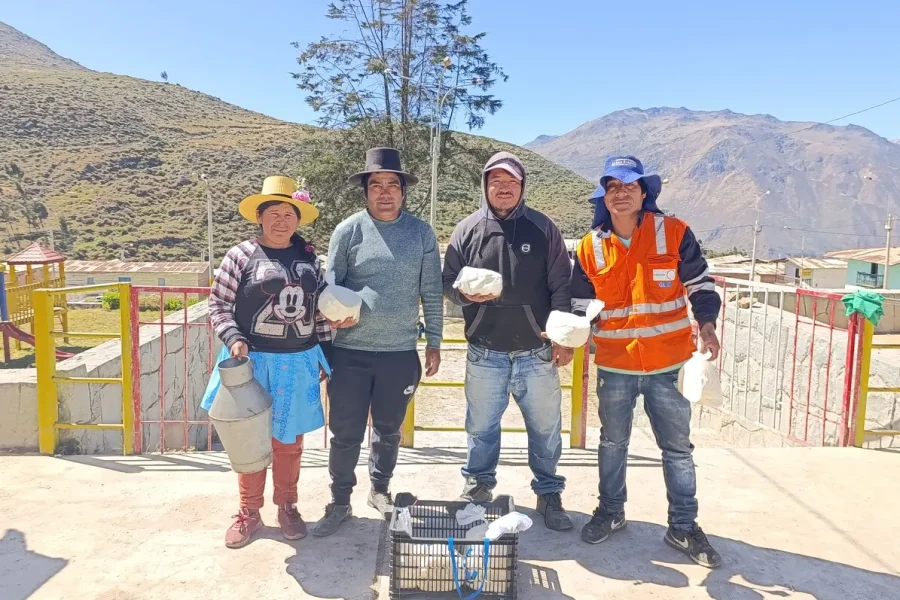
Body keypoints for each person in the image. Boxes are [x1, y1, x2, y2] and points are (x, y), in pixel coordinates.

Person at [571, 155, 723, 568]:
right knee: (612, 443)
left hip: (668, 365)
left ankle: (683, 526)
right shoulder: (589, 246)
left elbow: (700, 284)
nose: (620, 194)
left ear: (644, 193)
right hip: (615, 365)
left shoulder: (674, 233)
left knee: (677, 449)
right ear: (603, 196)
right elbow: (579, 301)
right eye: (612, 187)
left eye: (629, 186)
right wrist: (574, 326)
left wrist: (707, 324)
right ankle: (611, 511)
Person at [313, 147, 443, 537]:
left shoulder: (421, 233)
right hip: (349, 353)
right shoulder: (348, 231)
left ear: (403, 191)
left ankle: (380, 490)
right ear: (366, 191)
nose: (384, 192)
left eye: (392, 185)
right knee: (345, 433)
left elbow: (431, 291)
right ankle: (339, 501)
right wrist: (332, 314)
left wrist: (434, 342)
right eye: (376, 185)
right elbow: (329, 287)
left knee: (388, 430)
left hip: (399, 354)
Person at [442, 151, 575, 531]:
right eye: (496, 181)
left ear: (522, 186)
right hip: (485, 351)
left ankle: (548, 492)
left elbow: (561, 286)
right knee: (481, 428)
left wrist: (562, 338)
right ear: (485, 185)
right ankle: (478, 486)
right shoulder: (467, 230)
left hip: (537, 351)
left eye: (511, 181)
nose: (503, 188)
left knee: (545, 428)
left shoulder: (543, 228)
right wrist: (464, 295)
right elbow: (447, 281)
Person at [202, 176, 332, 549]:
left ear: (298, 219)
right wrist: (234, 337)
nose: (281, 220)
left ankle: (287, 505)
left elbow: (320, 310)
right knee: (250, 440)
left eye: (288, 214)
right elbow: (218, 303)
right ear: (259, 217)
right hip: (252, 364)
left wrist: (327, 353)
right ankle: (249, 511)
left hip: (298, 362)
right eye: (273, 213)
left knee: (288, 442)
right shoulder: (240, 255)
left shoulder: (310, 259)